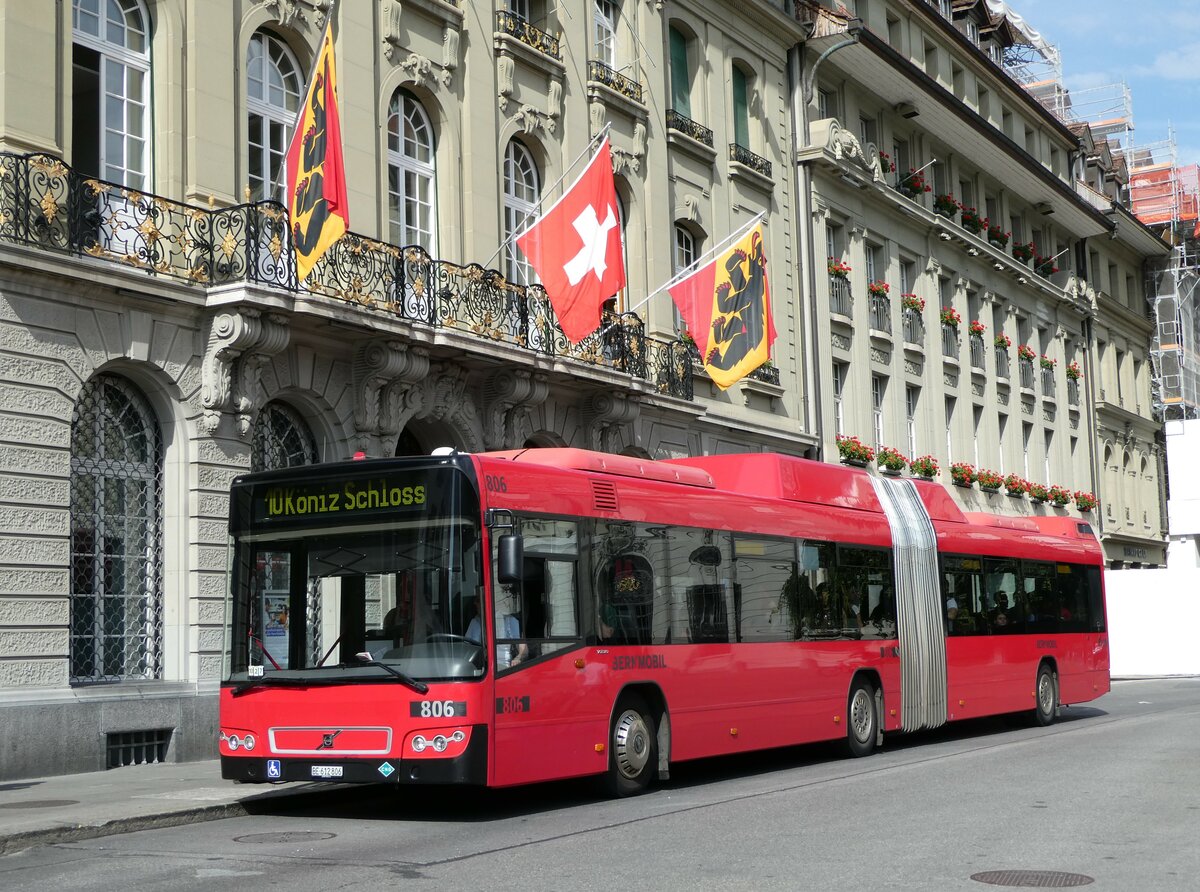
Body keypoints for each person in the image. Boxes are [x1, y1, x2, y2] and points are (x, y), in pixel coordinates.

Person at [465, 596, 527, 669]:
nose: (475, 603)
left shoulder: (510, 621)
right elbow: (467, 648)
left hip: (504, 668)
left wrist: (518, 658)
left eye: (478, 600)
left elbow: (524, 649)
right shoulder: (475, 622)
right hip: (482, 668)